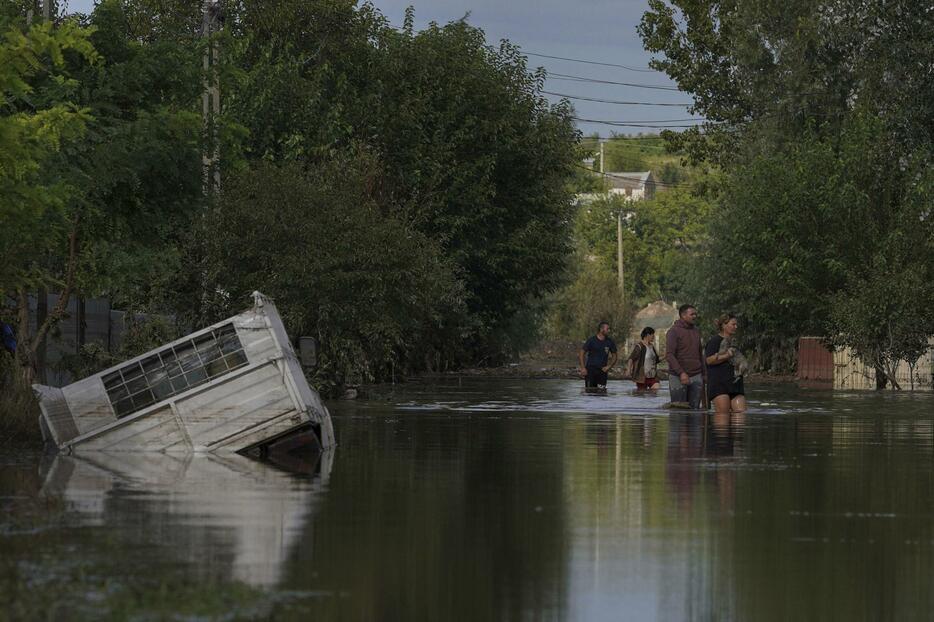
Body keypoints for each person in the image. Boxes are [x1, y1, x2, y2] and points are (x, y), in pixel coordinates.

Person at [704, 313, 748, 414]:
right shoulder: (714, 341)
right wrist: (726, 356)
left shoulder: (735, 341)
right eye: (733, 324)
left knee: (740, 414)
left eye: (736, 325)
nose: (736, 327)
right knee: (723, 416)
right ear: (724, 325)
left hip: (736, 384)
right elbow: (708, 361)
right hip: (719, 384)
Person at [665, 304, 705, 409]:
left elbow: (700, 354)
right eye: (692, 314)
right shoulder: (673, 331)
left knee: (695, 411)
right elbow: (669, 355)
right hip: (677, 376)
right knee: (679, 411)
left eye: (695, 314)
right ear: (683, 315)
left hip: (696, 375)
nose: (695, 316)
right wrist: (681, 373)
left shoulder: (696, 331)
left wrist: (704, 374)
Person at [578, 321, 618, 389]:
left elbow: (615, 355)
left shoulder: (609, 342)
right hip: (590, 371)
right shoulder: (591, 340)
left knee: (602, 392)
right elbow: (581, 353)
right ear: (601, 329)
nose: (609, 330)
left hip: (602, 371)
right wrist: (583, 368)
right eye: (607, 329)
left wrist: (609, 366)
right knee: (590, 392)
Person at [627, 326, 661, 391]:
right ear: (647, 335)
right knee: (641, 395)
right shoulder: (639, 346)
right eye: (652, 335)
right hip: (642, 377)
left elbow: (657, 360)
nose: (653, 337)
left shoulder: (652, 346)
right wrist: (629, 370)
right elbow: (631, 358)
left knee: (655, 392)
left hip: (653, 376)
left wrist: (666, 355)